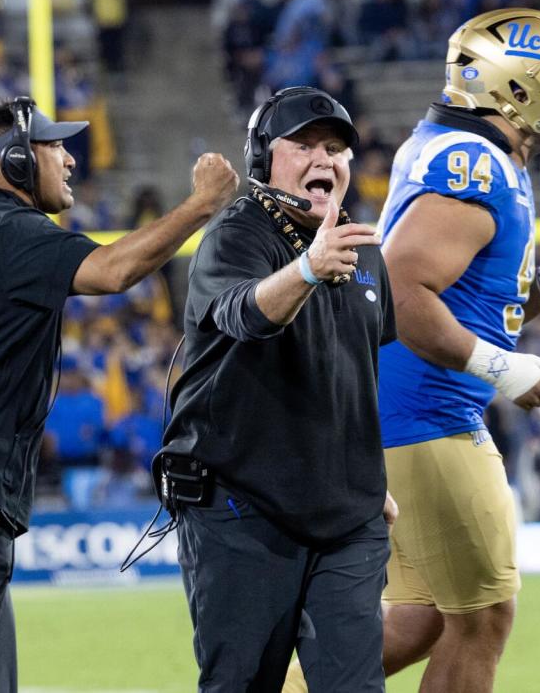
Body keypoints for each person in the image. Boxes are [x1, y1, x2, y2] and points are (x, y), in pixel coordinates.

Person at [286, 9, 540, 693]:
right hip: (428, 417)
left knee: (422, 618)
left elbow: (479, 306)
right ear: (514, 84)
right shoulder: (475, 165)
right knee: (485, 615)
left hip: (401, 412)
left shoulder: (469, 154)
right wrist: (498, 369)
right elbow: (405, 297)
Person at [0, 96, 238, 692]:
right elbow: (113, 271)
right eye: (54, 147)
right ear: (15, 160)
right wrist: (203, 204)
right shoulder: (7, 229)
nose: (69, 160)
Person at [159, 86, 396, 692]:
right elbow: (245, 316)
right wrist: (309, 269)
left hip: (348, 518)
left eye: (337, 148)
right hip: (244, 511)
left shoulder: (363, 250)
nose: (326, 159)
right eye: (305, 145)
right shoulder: (236, 236)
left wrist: (372, 474)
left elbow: (363, 371)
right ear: (265, 160)